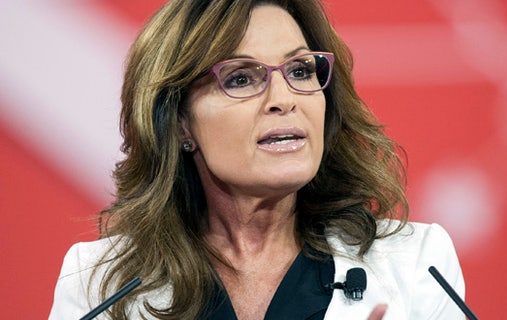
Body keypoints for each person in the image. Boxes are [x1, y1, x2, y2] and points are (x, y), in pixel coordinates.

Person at [49, 0, 466, 319]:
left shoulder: (416, 265)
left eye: (301, 70)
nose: (284, 100)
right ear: (180, 123)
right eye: (241, 78)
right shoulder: (100, 285)